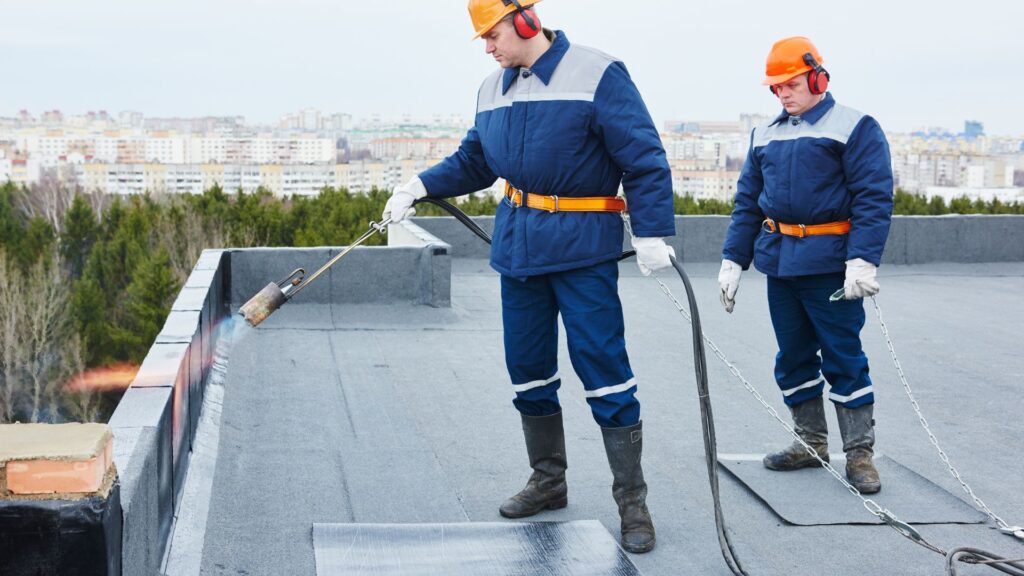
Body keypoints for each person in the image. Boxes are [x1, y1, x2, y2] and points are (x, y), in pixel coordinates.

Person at [382, 0, 675, 553]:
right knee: (528, 371)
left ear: (524, 22)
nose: (488, 48)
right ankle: (548, 482)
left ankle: (632, 502)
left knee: (604, 369)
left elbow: (643, 157)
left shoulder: (597, 73)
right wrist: (418, 185)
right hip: (519, 248)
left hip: (582, 250)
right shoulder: (493, 88)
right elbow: (476, 160)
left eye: (492, 36)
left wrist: (653, 231)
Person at [718, 36, 894, 494]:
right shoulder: (766, 133)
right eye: (775, 88)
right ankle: (810, 443)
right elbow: (748, 203)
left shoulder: (855, 127)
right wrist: (734, 259)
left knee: (843, 357)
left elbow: (873, 199)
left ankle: (859, 455)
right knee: (793, 357)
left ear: (818, 77)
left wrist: (862, 260)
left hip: (831, 266)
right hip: (781, 264)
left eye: (791, 84)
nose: (783, 94)